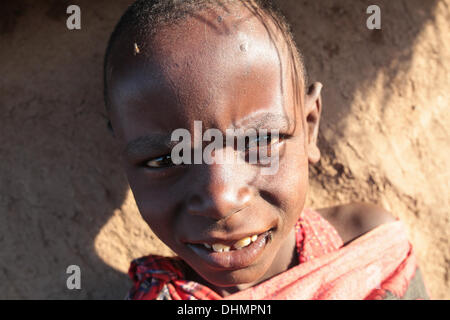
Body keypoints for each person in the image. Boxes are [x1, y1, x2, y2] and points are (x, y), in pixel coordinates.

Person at [103, 0, 429, 299]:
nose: (221, 199)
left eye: (258, 141)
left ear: (310, 127)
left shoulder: (371, 253)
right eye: (166, 159)